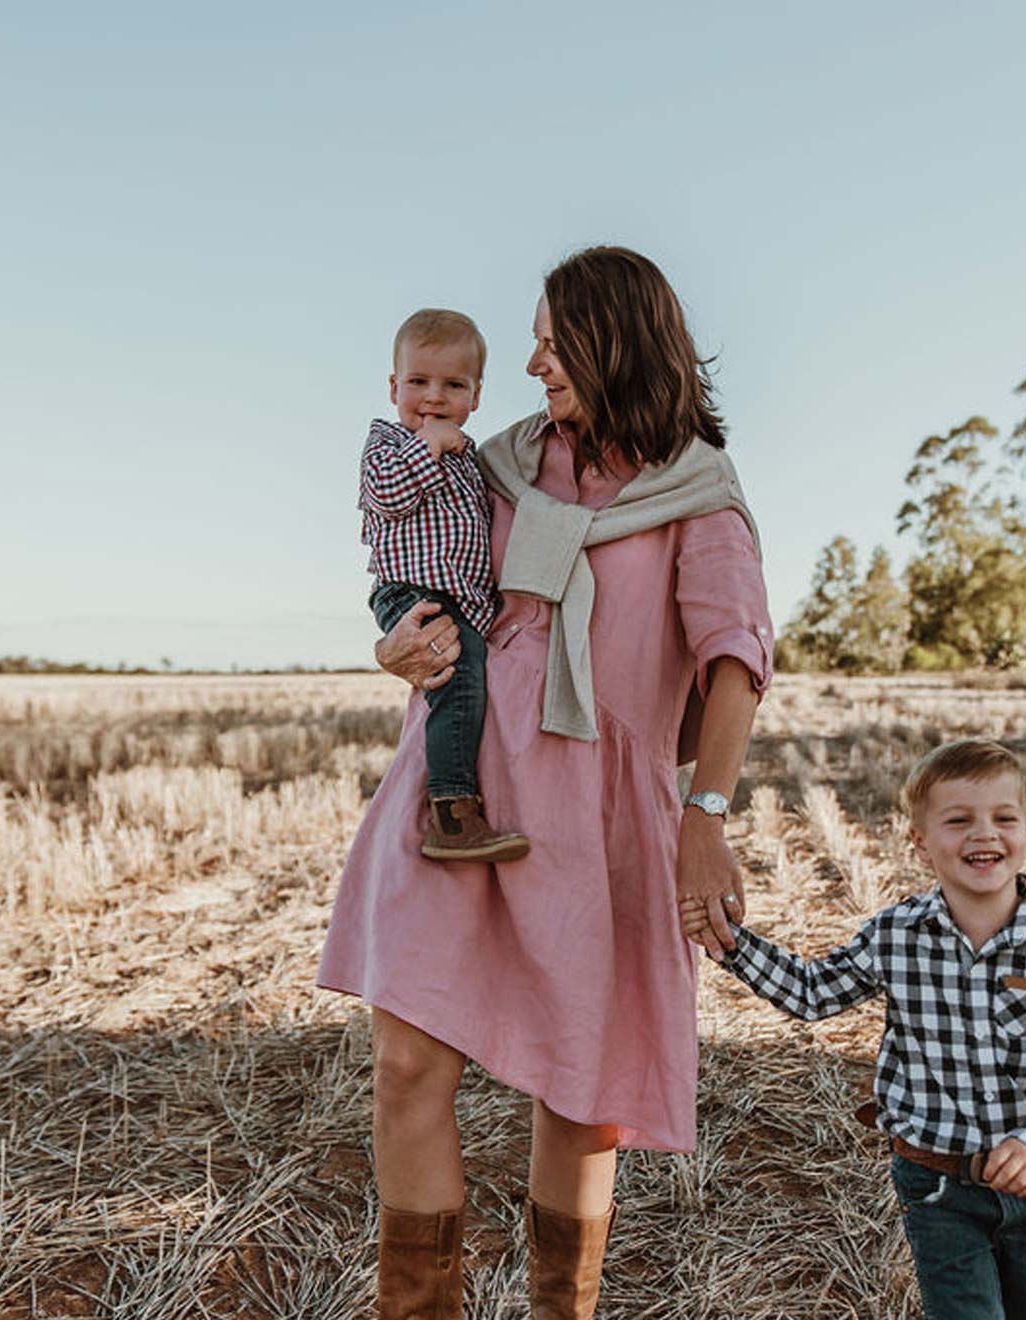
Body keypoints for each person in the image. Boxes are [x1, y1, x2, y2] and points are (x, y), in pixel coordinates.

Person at [319, 246, 775, 1320]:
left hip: (597, 815)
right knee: (406, 1058)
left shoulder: (696, 492)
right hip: (457, 786)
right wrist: (392, 641)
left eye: (551, 339)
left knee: (582, 1096)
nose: (530, 364)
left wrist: (704, 817)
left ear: (612, 338)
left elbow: (734, 659)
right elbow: (417, 558)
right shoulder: (503, 461)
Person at [689, 738, 1026, 1320]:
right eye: (958, 820)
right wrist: (730, 943)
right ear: (919, 842)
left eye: (1003, 818)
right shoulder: (897, 937)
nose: (983, 835)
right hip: (935, 1179)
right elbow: (815, 992)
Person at [360, 308, 527, 862]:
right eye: (418, 382)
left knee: (470, 670)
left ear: (476, 396)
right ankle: (453, 811)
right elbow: (387, 496)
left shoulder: (471, 458)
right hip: (409, 592)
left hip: (457, 599)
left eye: (453, 385)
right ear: (393, 387)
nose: (433, 397)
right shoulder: (387, 443)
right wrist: (427, 444)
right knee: (456, 674)